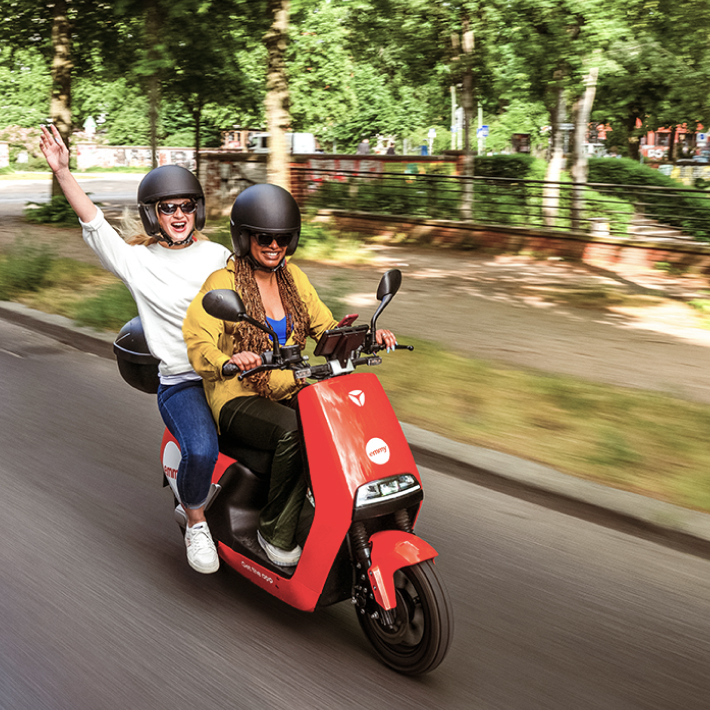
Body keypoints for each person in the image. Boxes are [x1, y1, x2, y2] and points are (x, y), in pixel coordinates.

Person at [39, 124, 231, 575]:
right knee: (201, 452)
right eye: (168, 208)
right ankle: (196, 519)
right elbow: (94, 224)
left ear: (197, 209)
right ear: (153, 215)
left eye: (186, 206)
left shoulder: (220, 256)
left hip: (230, 373)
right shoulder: (137, 262)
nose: (179, 214)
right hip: (182, 382)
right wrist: (64, 173)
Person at [183, 184, 396, 567]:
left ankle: (327, 505)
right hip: (237, 395)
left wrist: (367, 336)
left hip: (288, 383)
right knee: (296, 431)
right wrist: (229, 361)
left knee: (341, 416)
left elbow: (324, 327)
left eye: (282, 238)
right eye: (264, 237)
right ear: (245, 237)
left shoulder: (292, 279)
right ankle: (273, 531)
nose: (273, 245)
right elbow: (199, 342)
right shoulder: (222, 284)